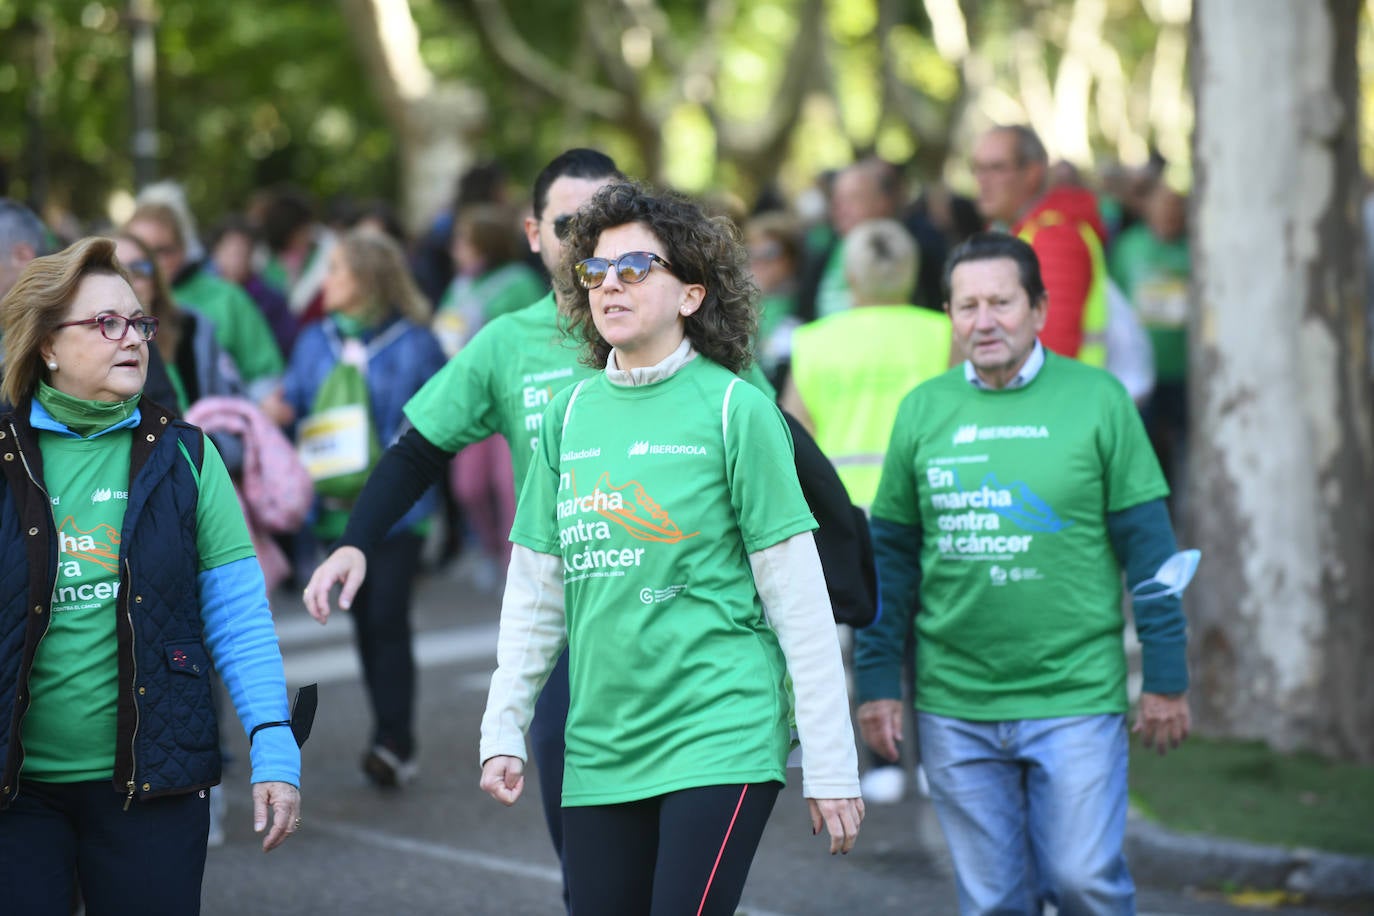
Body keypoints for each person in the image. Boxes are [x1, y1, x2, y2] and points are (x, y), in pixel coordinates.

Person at [478, 182, 863, 914]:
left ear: (691, 294)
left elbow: (798, 599)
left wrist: (831, 763)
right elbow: (536, 588)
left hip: (719, 731)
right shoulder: (567, 414)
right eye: (596, 269)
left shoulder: (735, 408)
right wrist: (502, 725)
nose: (609, 285)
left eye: (635, 268)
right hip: (602, 743)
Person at [853, 232, 1192, 916]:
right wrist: (877, 681)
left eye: (1001, 303)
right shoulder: (923, 409)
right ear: (949, 314)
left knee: (1083, 882)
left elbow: (1151, 548)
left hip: (1074, 693)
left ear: (1038, 308)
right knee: (993, 902)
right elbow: (889, 556)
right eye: (967, 305)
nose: (984, 321)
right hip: (955, 702)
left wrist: (1165, 674)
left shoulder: (1099, 401)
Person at [0, 237, 302, 914]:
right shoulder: (5, 454)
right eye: (106, 323)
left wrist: (274, 745)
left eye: (139, 322)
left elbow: (238, 617)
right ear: (48, 343)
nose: (131, 337)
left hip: (153, 785)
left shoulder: (187, 456)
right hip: (16, 796)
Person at [265, 228, 444, 789]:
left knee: (388, 614)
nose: (327, 279)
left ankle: (394, 741)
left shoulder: (417, 343)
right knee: (367, 620)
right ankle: (388, 733)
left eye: (338, 268)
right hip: (333, 509)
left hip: (399, 511)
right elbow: (294, 401)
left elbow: (435, 425)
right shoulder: (314, 340)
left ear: (368, 277)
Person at [971, 125, 1110, 366]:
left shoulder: (1056, 236)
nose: (982, 180)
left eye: (996, 168)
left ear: (1032, 173)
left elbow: (1054, 349)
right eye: (978, 168)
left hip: (1062, 398)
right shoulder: (1023, 231)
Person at [125, 201, 284, 399]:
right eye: (141, 254)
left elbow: (264, 376)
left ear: (182, 250)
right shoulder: (112, 310)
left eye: (162, 251)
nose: (152, 263)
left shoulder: (226, 299)